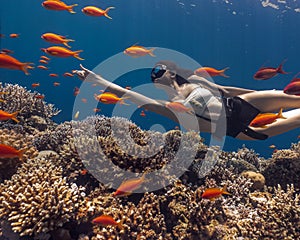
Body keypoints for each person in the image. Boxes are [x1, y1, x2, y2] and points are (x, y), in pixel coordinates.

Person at [73, 60, 300, 140]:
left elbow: (224, 89)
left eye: (160, 70)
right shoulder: (173, 108)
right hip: (241, 128)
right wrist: (100, 81)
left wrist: (260, 95)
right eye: (154, 75)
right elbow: (138, 98)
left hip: (245, 102)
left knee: (291, 95)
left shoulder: (194, 81)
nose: (157, 74)